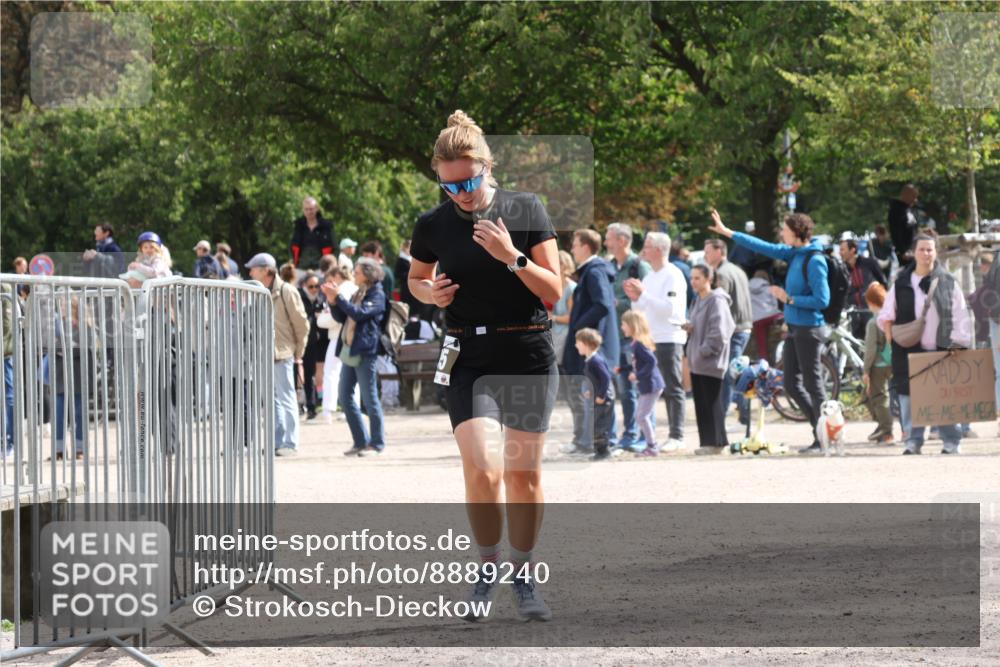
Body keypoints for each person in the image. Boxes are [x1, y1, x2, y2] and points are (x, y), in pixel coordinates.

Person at [406, 110, 561, 622]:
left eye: (469, 181)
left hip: (527, 350)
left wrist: (512, 256)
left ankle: (523, 572)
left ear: (488, 168)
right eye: (450, 186)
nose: (462, 193)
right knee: (482, 467)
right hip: (468, 354)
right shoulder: (431, 224)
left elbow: (554, 292)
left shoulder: (525, 207)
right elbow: (415, 279)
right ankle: (487, 566)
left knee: (522, 475)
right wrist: (429, 291)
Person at [709, 208, 830, 454]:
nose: (782, 234)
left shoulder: (814, 259)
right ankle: (819, 431)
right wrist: (728, 232)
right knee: (791, 383)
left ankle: (825, 435)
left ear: (797, 233)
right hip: (795, 327)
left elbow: (823, 300)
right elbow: (762, 246)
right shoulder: (794, 253)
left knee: (813, 383)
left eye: (785, 231)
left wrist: (790, 299)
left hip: (809, 329)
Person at [877, 234, 972, 455]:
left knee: (944, 396)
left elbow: (960, 313)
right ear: (914, 252)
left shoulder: (947, 280)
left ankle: (951, 441)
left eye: (930, 249)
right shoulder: (901, 282)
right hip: (909, 351)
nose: (926, 254)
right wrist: (892, 339)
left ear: (936, 252)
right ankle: (913, 440)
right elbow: (886, 314)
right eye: (922, 249)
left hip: (942, 348)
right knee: (910, 397)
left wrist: (959, 342)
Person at [623, 231, 687, 452]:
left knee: (672, 386)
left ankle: (677, 435)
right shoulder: (649, 277)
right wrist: (635, 299)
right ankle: (649, 437)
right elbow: (642, 310)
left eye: (648, 246)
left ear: (659, 249)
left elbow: (671, 310)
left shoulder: (674, 275)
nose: (644, 250)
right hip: (650, 340)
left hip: (669, 337)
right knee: (648, 387)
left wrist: (644, 295)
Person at [245, 252, 309, 457]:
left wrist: (298, 353)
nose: (250, 272)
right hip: (265, 354)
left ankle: (290, 442)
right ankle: (278, 442)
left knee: (287, 398)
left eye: (253, 268)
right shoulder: (259, 291)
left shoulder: (286, 291)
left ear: (265, 270)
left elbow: (301, 324)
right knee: (273, 401)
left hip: (283, 353)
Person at [325, 257, 388, 456]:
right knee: (344, 396)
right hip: (350, 350)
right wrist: (333, 302)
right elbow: (344, 318)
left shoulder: (378, 294)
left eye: (358, 272)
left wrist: (340, 299)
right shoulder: (359, 292)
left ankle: (377, 444)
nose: (355, 274)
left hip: (365, 351)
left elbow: (360, 314)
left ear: (369, 274)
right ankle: (361, 441)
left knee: (370, 399)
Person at [565, 229, 620, 455]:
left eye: (575, 245)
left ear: (586, 247)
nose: (572, 250)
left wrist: (579, 325)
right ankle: (593, 440)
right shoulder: (591, 271)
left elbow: (603, 304)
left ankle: (606, 441)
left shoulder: (594, 271)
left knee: (601, 392)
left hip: (595, 345)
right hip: (591, 344)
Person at [604, 222, 650, 451]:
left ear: (622, 240)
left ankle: (642, 435)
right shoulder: (610, 266)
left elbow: (649, 297)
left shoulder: (639, 266)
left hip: (635, 338)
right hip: (616, 335)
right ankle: (630, 434)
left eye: (609, 238)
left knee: (639, 386)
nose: (605, 242)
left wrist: (619, 304)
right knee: (623, 388)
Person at [685, 265, 735, 454]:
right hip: (698, 361)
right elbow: (702, 325)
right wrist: (691, 328)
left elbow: (720, 330)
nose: (693, 282)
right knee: (701, 403)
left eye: (697, 278)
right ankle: (707, 442)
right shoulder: (698, 300)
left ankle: (717, 443)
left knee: (712, 402)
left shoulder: (717, 300)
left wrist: (704, 350)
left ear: (709, 279)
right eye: (692, 278)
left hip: (710, 361)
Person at [703, 238, 753, 424]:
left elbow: (720, 306)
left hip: (735, 329)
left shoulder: (721, 274)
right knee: (734, 372)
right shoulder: (737, 270)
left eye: (708, 251)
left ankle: (723, 416)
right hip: (744, 326)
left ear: (719, 251)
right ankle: (742, 412)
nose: (705, 255)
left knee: (729, 374)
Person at [317, 266, 358, 421]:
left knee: (331, 373)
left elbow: (331, 317)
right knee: (352, 373)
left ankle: (328, 409)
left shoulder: (340, 290)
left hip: (338, 335)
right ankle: (350, 409)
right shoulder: (356, 288)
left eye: (330, 279)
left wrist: (320, 318)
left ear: (336, 276)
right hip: (353, 335)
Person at [621, 310, 664, 457]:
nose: (622, 327)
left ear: (632, 326)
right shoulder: (636, 344)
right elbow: (637, 363)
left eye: (624, 324)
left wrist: (637, 375)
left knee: (641, 416)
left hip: (652, 385)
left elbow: (652, 361)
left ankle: (652, 446)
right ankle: (651, 445)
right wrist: (623, 369)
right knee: (641, 415)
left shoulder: (639, 344)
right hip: (648, 386)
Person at [574, 328, 615, 461]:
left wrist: (601, 396)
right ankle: (599, 450)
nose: (576, 345)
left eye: (578, 343)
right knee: (595, 423)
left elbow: (605, 378)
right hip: (597, 397)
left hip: (604, 399)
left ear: (586, 344)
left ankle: (604, 452)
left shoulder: (596, 361)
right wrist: (590, 391)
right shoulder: (590, 360)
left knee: (599, 425)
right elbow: (595, 380)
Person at [862, 283, 894, 445]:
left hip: (878, 365)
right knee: (879, 395)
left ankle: (886, 430)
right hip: (892, 362)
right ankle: (883, 427)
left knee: (878, 396)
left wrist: (866, 370)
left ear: (872, 302)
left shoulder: (873, 322)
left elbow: (870, 349)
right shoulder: (891, 316)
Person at [840, 237, 887, 339]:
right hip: (853, 315)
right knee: (857, 346)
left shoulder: (869, 263)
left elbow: (883, 283)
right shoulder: (841, 269)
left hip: (872, 312)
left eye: (843, 249)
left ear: (852, 250)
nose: (840, 252)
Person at [298, 271, 329, 420]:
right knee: (297, 375)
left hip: (315, 342)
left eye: (317, 286)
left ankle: (311, 406)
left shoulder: (321, 298)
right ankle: (301, 404)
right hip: (299, 341)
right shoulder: (299, 297)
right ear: (304, 285)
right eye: (311, 286)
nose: (314, 289)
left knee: (311, 374)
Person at [290, 196, 335, 270]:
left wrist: (332, 265)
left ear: (316, 208)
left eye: (311, 209)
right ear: (303, 210)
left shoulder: (327, 226)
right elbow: (291, 247)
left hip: (322, 269)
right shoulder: (297, 226)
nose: (309, 212)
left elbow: (335, 247)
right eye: (306, 209)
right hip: (301, 267)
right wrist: (293, 262)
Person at [548, 250, 576, 366]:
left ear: (564, 266)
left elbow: (571, 318)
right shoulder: (557, 285)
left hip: (564, 335)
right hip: (555, 332)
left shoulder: (571, 287)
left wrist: (552, 317)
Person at [749, 265, 781, 361]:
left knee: (762, 347)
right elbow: (775, 305)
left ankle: (764, 365)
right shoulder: (770, 288)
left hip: (757, 320)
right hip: (771, 315)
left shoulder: (746, 288)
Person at [888, 184, 919, 266]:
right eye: (913, 196)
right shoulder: (896, 210)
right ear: (905, 195)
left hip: (914, 250)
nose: (915, 200)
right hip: (905, 254)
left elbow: (911, 229)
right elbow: (895, 232)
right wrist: (902, 251)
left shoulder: (909, 210)